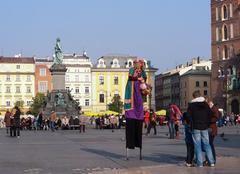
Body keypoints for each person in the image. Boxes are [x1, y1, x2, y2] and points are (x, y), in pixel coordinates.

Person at [124, 59, 147, 159]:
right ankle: (130, 146)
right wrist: (137, 79)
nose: (138, 65)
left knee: (138, 100)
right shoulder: (131, 70)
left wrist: (142, 81)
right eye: (137, 63)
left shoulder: (143, 72)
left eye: (140, 64)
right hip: (132, 90)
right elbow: (130, 77)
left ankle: (138, 146)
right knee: (133, 102)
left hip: (139, 91)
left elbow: (145, 79)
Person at [187, 90, 215, 167]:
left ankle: (200, 163)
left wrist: (191, 122)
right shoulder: (205, 104)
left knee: (197, 145)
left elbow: (188, 116)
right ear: (200, 95)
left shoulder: (191, 105)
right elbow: (210, 114)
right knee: (207, 144)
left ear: (194, 96)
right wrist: (207, 122)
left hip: (195, 127)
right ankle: (211, 162)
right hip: (205, 127)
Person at [205, 100, 220, 165]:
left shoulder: (213, 108)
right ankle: (208, 159)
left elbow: (216, 117)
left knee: (210, 145)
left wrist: (208, 120)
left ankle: (212, 159)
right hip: (210, 128)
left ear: (209, 103)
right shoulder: (211, 108)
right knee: (208, 145)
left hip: (211, 129)